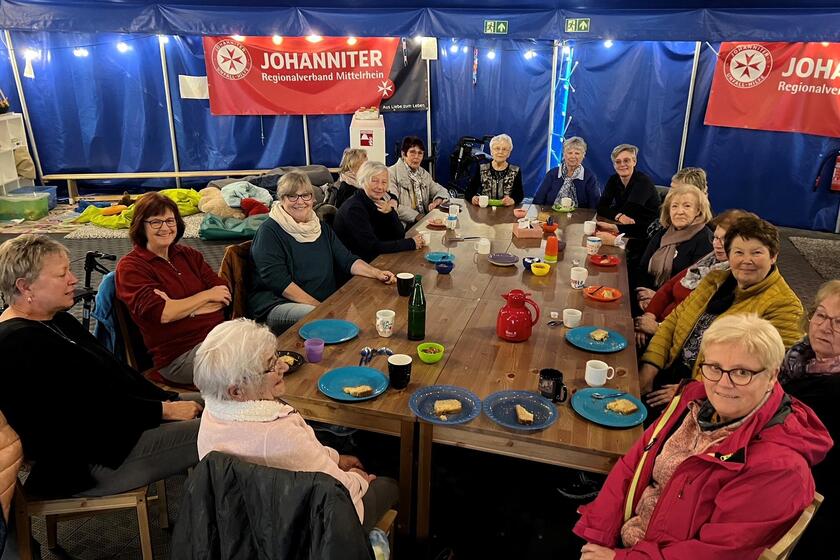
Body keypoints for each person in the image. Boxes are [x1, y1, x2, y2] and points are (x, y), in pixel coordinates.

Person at [575, 314, 831, 560]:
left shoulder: (779, 468)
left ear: (772, 376)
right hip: (628, 534)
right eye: (714, 367)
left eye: (742, 372)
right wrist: (599, 534)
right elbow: (633, 466)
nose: (722, 383)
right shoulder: (692, 401)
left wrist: (619, 558)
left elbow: (717, 553)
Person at [0, 235, 202, 500]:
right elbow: (84, 413)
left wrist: (168, 400)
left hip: (122, 431)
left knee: (227, 401)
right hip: (92, 461)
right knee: (232, 424)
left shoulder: (56, 319)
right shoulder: (17, 343)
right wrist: (163, 409)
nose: (73, 279)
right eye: (62, 274)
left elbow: (117, 376)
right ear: (26, 287)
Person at [194, 319, 399, 531]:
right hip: (306, 530)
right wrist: (358, 479)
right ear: (236, 391)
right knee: (389, 484)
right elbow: (338, 490)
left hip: (246, 521)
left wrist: (336, 458)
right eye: (271, 366)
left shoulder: (213, 411)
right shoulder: (277, 432)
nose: (282, 366)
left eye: (276, 358)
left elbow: (301, 457)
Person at [640, 215, 804, 410]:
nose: (746, 260)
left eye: (756, 252)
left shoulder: (785, 306)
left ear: (773, 255)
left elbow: (768, 374)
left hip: (710, 401)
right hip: (670, 371)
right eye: (738, 252)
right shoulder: (714, 280)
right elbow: (672, 322)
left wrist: (691, 392)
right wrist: (649, 368)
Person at [248, 171, 396, 334]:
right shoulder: (269, 232)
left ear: (313, 199)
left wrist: (376, 273)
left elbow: (347, 259)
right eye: (292, 196)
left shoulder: (319, 227)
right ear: (282, 199)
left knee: (369, 304)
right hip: (279, 305)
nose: (300, 202)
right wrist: (320, 307)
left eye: (305, 195)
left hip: (322, 302)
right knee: (329, 322)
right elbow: (279, 282)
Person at [116, 192, 230, 385]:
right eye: (155, 222)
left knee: (264, 345)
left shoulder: (188, 255)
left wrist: (183, 309)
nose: (165, 228)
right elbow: (164, 314)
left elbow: (223, 293)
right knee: (245, 364)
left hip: (219, 337)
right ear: (140, 226)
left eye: (170, 221)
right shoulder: (131, 267)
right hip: (179, 357)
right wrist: (206, 296)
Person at [778, 280, 840, 560]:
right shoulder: (799, 357)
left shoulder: (832, 390)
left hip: (801, 500)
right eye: (821, 315)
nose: (824, 327)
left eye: (839, 323)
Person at [634, 210, 755, 343]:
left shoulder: (733, 279)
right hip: (658, 323)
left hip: (672, 339)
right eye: (715, 238)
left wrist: (657, 328)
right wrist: (649, 316)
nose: (716, 244)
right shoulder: (709, 260)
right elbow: (669, 287)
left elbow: (698, 328)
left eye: (724, 239)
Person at [334, 161, 424, 263]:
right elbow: (371, 247)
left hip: (377, 259)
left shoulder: (377, 201)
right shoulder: (354, 209)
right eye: (375, 181)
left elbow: (399, 235)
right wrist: (410, 243)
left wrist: (390, 212)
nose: (380, 187)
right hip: (357, 268)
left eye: (384, 182)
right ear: (363, 181)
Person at [632, 184, 713, 291]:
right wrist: (642, 293)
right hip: (646, 294)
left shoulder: (705, 239)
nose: (680, 212)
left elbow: (695, 286)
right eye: (674, 206)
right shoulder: (663, 233)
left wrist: (656, 298)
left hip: (676, 302)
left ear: (698, 210)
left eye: (687, 206)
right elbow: (642, 268)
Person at [594, 144, 659, 241]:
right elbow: (601, 207)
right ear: (614, 165)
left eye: (626, 160)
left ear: (634, 162)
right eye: (618, 162)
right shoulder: (613, 179)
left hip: (647, 233)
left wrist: (616, 215)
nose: (622, 165)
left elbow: (629, 212)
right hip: (624, 227)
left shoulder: (643, 181)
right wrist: (618, 216)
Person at [388, 136, 449, 227]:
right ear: (403, 154)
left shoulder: (424, 174)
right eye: (412, 152)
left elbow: (442, 191)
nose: (416, 157)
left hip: (424, 220)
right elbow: (392, 205)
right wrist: (416, 216)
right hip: (404, 224)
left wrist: (436, 202)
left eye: (420, 153)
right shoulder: (391, 173)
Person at [532, 136, 600, 208]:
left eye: (577, 153)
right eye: (570, 153)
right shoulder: (552, 174)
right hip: (550, 215)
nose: (573, 156)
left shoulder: (589, 177)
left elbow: (594, 205)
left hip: (579, 217)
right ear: (564, 154)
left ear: (583, 155)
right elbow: (538, 199)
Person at [465, 134, 524, 207]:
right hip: (485, 211)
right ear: (491, 151)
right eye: (497, 148)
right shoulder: (482, 168)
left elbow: (519, 195)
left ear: (509, 153)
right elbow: (469, 192)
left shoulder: (515, 170)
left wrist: (512, 200)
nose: (500, 152)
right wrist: (473, 198)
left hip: (507, 211)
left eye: (504, 149)